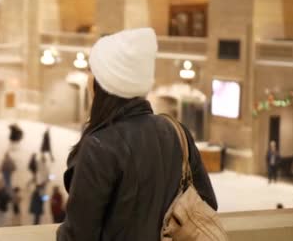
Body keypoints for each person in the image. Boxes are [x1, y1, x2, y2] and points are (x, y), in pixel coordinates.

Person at [57, 28, 217, 241]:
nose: (88, 79)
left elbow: (77, 236)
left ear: (103, 83)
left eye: (91, 71)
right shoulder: (175, 131)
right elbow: (206, 204)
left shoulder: (99, 145)